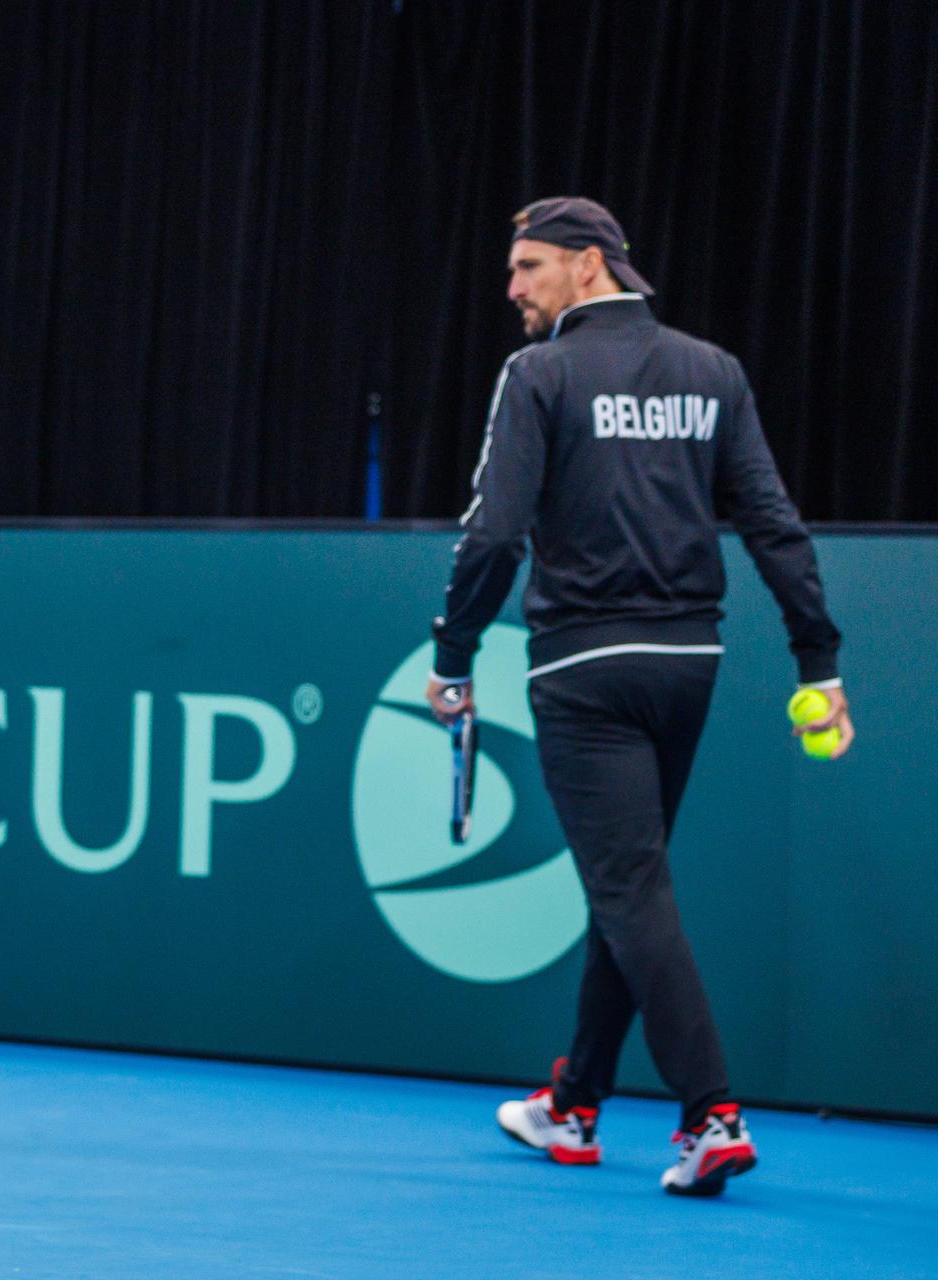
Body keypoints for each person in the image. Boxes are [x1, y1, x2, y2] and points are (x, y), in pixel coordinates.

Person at [424, 196, 851, 1197]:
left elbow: (492, 534)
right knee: (633, 884)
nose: (513, 289)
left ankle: (712, 1113)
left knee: (630, 890)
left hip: (583, 671)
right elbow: (774, 523)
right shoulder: (716, 371)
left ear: (587, 265)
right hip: (686, 665)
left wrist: (452, 656)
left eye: (529, 267)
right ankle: (573, 1103)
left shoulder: (538, 373)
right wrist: (818, 663)